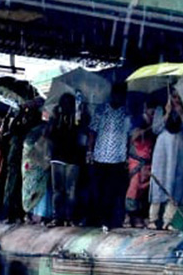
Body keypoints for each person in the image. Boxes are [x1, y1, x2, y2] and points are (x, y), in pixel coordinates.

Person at [87, 82, 132, 231]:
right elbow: (93, 132)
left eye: (121, 95)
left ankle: (109, 221)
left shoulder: (126, 113)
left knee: (111, 192)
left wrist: (127, 156)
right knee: (98, 191)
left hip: (117, 159)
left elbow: (128, 136)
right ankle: (98, 220)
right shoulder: (101, 110)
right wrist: (90, 151)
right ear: (112, 94)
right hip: (100, 156)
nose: (118, 97)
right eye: (116, 94)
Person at [48, 92, 85, 227]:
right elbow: (49, 134)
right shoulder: (59, 119)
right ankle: (65, 217)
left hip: (63, 157)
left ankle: (62, 217)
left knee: (63, 190)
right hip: (67, 157)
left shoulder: (75, 118)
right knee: (68, 190)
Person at [150, 107, 183, 229]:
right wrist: (166, 114)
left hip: (178, 145)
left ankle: (168, 220)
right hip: (163, 146)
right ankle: (153, 219)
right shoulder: (160, 109)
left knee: (176, 182)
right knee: (159, 179)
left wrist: (182, 115)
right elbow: (155, 128)